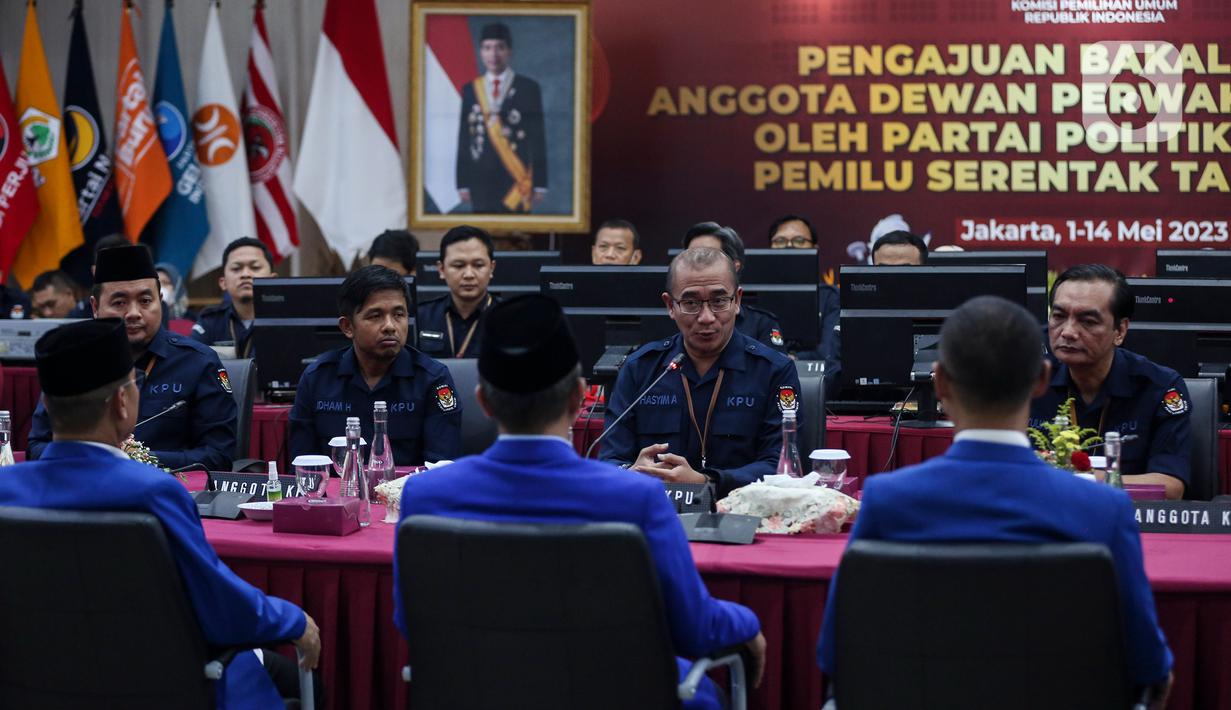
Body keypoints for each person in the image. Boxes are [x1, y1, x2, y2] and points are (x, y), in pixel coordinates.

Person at [393, 294, 766, 709]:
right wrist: (748, 623)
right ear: (579, 398)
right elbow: (696, 629)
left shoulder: (424, 496)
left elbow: (413, 625)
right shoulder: (636, 498)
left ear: (483, 401)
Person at [817, 295, 1173, 706]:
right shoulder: (1105, 509)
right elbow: (1149, 666)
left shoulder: (887, 500)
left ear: (940, 381)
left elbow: (837, 653)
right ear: (1041, 380)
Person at [0, 318, 320, 707]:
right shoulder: (153, 493)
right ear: (122, 402)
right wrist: (293, 619)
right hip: (155, 685)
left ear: (47, 406)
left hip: (37, 683)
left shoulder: (6, 491)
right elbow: (220, 606)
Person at [599, 247, 803, 496]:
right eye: (691, 303)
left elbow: (782, 466)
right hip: (656, 510)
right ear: (670, 306)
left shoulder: (774, 371)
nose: (706, 317)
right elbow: (609, 460)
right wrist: (629, 472)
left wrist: (708, 481)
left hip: (743, 515)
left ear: (737, 301)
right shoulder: (640, 369)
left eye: (718, 301)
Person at [27, 245, 238, 471]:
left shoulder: (198, 362)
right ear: (95, 307)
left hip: (166, 493)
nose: (134, 312)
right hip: (83, 487)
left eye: (146, 301)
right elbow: (37, 446)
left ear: (161, 302)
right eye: (119, 303)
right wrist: (96, 460)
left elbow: (218, 455)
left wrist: (136, 460)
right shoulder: (72, 361)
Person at [1030, 264, 1191, 500]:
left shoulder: (1159, 387)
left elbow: (1170, 487)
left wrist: (1073, 477)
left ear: (1120, 331)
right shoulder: (1026, 381)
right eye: (1059, 316)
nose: (1068, 332)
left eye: (1088, 321)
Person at [290, 265, 461, 466]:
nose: (390, 326)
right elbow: (302, 468)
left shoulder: (433, 379)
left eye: (399, 314)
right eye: (375, 316)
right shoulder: (317, 378)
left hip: (407, 495)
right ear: (347, 327)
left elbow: (441, 468)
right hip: (337, 496)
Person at [456, 22, 547, 214]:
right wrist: (462, 182)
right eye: (487, 48)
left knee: (518, 237)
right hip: (480, 178)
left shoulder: (528, 88)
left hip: (516, 178)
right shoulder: (471, 90)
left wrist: (540, 183)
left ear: (509, 51)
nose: (493, 54)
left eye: (500, 47)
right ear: (481, 52)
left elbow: (538, 138)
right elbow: (464, 138)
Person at [682, 222, 787, 352]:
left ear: (734, 267)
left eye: (708, 258)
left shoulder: (761, 324)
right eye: (690, 258)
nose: (698, 266)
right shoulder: (676, 316)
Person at [417, 225, 501, 359]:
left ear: (491, 268)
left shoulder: (510, 319)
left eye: (478, 265)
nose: (468, 274)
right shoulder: (421, 317)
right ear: (441, 269)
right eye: (458, 265)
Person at [191, 237, 277, 359]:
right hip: (223, 378)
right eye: (237, 268)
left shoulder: (289, 321)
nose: (245, 274)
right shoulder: (210, 321)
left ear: (272, 280)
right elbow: (192, 362)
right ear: (223, 282)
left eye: (255, 267)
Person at [67, 233, 133, 318]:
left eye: (122, 266)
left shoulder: (146, 309)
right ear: (94, 271)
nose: (116, 273)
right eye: (108, 267)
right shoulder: (78, 316)